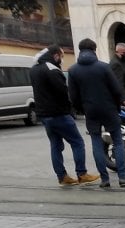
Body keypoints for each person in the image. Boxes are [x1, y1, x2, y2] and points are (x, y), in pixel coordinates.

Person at [68, 38, 125, 188]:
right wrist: (121, 103)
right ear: (94, 50)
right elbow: (116, 88)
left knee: (96, 143)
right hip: (108, 109)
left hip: (90, 111)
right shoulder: (103, 67)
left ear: (80, 51)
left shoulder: (73, 70)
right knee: (118, 141)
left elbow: (73, 96)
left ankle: (105, 180)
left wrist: (82, 108)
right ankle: (123, 177)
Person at [30, 45, 98, 187]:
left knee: (55, 145)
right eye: (61, 56)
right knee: (77, 142)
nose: (61, 60)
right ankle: (82, 173)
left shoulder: (34, 69)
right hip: (59, 114)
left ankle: (62, 176)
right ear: (55, 55)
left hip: (44, 115)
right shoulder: (53, 70)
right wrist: (72, 108)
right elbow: (63, 93)